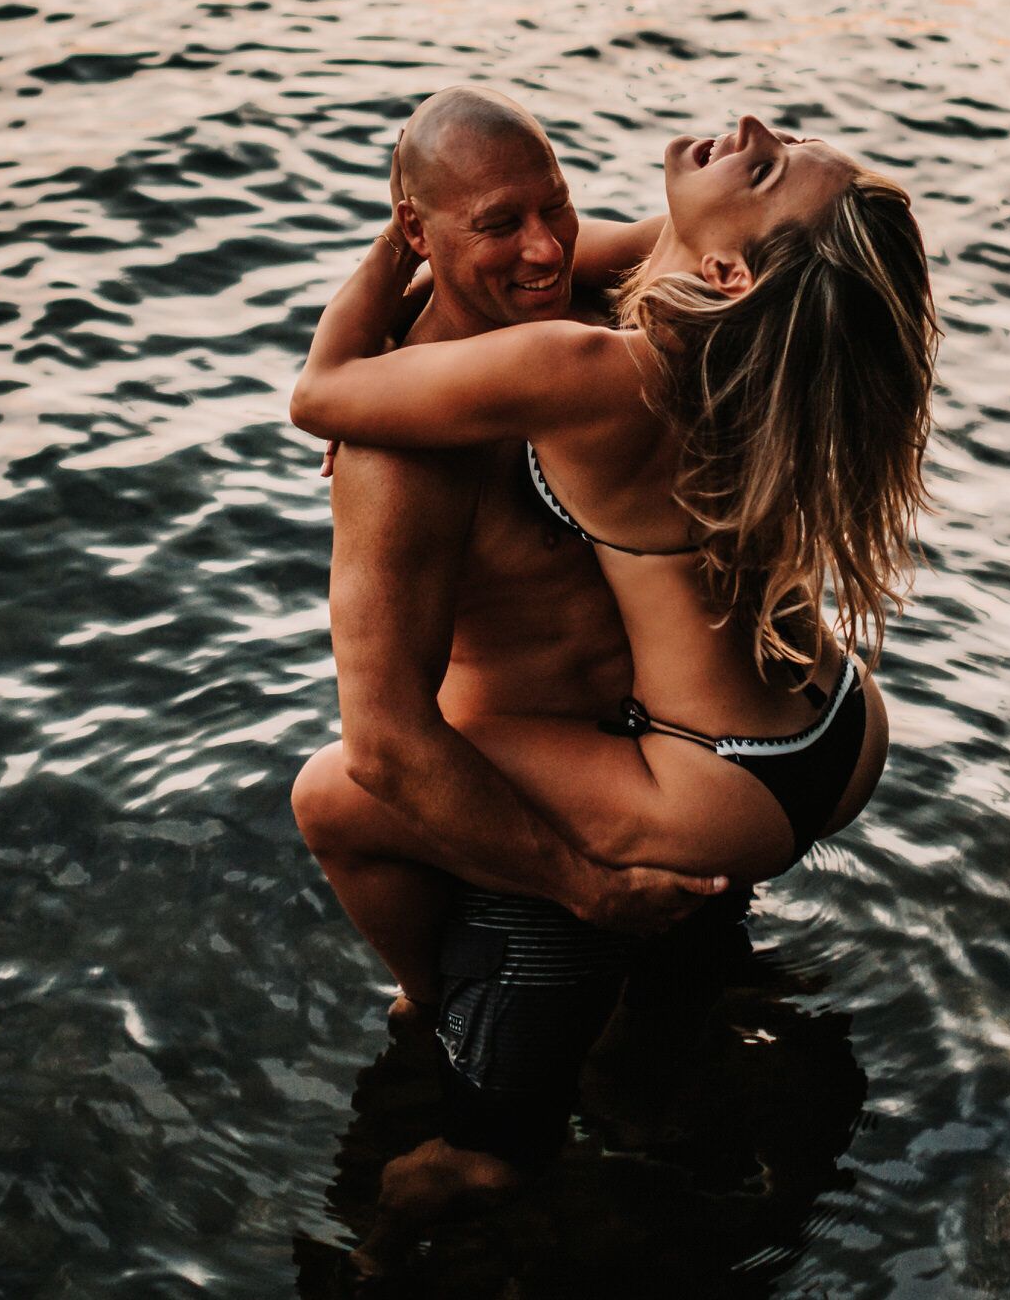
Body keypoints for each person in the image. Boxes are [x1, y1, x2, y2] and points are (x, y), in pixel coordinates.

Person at [290, 95, 938, 1185]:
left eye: (771, 168)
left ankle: (428, 1017)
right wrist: (439, 243)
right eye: (506, 223)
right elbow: (567, 254)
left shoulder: (593, 370)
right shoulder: (739, 315)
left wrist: (406, 266)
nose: (750, 126)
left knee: (330, 796)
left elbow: (322, 394)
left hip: (723, 785)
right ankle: (651, 1068)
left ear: (733, 270)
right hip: (833, 722)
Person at [289, 87, 733, 1212]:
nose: (542, 247)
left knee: (666, 1072)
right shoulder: (396, 450)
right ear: (417, 236)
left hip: (670, 776)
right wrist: (585, 889)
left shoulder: (572, 286)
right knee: (486, 1163)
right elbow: (383, 744)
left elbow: (711, 240)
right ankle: (420, 1031)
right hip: (545, 831)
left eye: (558, 206)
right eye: (497, 223)